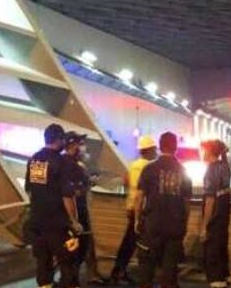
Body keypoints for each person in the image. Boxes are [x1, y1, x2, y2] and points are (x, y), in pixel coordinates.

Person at [25, 123, 82, 288]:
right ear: (59, 139)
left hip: (37, 222)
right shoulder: (60, 161)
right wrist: (74, 221)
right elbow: (67, 195)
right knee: (67, 263)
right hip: (58, 224)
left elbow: (30, 191)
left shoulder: (34, 159)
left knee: (43, 263)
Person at [135, 131, 192, 288]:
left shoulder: (149, 169)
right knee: (169, 272)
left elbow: (139, 197)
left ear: (160, 147)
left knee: (146, 270)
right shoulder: (184, 171)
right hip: (175, 226)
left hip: (152, 225)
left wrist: (137, 219)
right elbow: (187, 203)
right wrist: (185, 224)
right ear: (176, 147)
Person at [111, 135, 158, 284]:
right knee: (141, 243)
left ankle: (118, 271)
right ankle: (130, 274)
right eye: (155, 148)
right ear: (150, 150)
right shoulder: (150, 167)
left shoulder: (133, 165)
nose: (156, 151)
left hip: (131, 207)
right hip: (142, 210)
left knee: (129, 242)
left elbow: (126, 181)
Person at [63, 131, 109, 284]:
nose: (84, 148)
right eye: (81, 144)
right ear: (73, 145)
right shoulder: (73, 167)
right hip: (76, 214)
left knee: (83, 246)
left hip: (73, 213)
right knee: (77, 249)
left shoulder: (64, 163)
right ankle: (71, 281)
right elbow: (73, 192)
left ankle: (87, 275)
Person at [200, 139, 231, 288]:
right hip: (223, 220)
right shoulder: (225, 167)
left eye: (204, 150)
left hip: (214, 220)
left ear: (209, 151)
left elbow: (210, 200)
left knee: (212, 256)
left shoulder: (211, 170)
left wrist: (204, 226)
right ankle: (225, 280)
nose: (202, 153)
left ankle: (217, 282)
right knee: (221, 251)